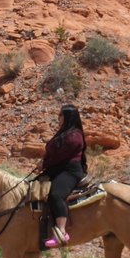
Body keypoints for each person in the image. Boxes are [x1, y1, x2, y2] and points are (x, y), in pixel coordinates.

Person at [40, 104, 87, 248]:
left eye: (61, 115)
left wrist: (44, 163)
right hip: (58, 169)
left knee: (56, 194)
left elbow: (60, 156)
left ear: (68, 117)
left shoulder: (75, 136)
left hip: (70, 171)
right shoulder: (65, 132)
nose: (58, 118)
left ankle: (61, 232)